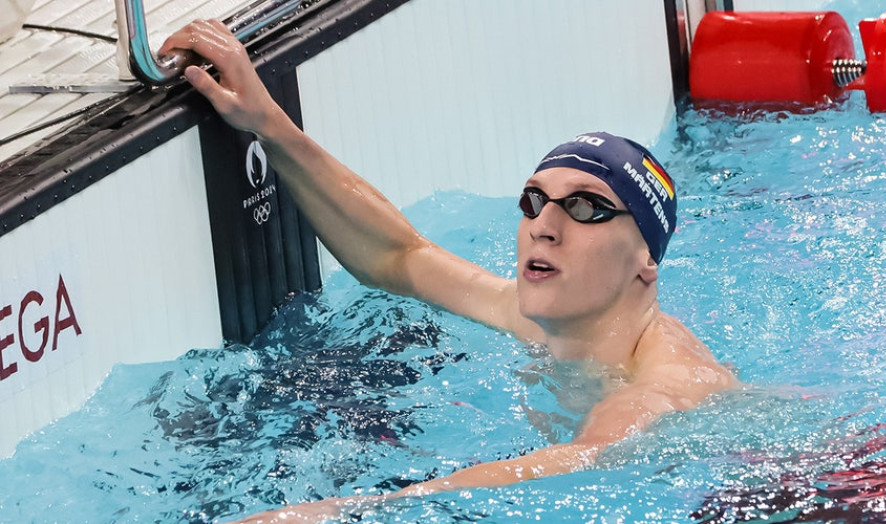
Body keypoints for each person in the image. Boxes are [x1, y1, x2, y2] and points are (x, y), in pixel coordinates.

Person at [160, 19, 739, 522]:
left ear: (646, 262)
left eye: (585, 207)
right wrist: (268, 122)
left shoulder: (661, 382)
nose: (544, 225)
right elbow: (402, 258)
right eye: (534, 201)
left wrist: (350, 510)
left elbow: (583, 458)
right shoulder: (544, 318)